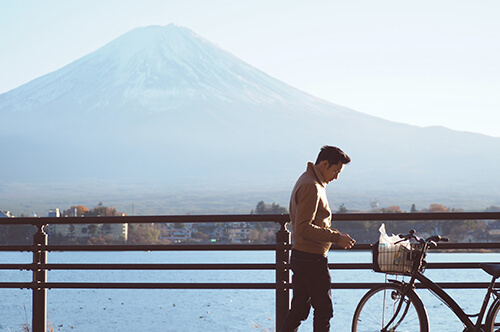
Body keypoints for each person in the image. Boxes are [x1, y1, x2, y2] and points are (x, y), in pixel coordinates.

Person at [281, 145, 356, 332]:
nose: (336, 177)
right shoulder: (311, 186)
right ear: (324, 164)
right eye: (335, 171)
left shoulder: (309, 180)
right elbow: (303, 227)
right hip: (311, 258)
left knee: (299, 309)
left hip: (302, 255)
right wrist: (336, 237)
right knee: (323, 310)